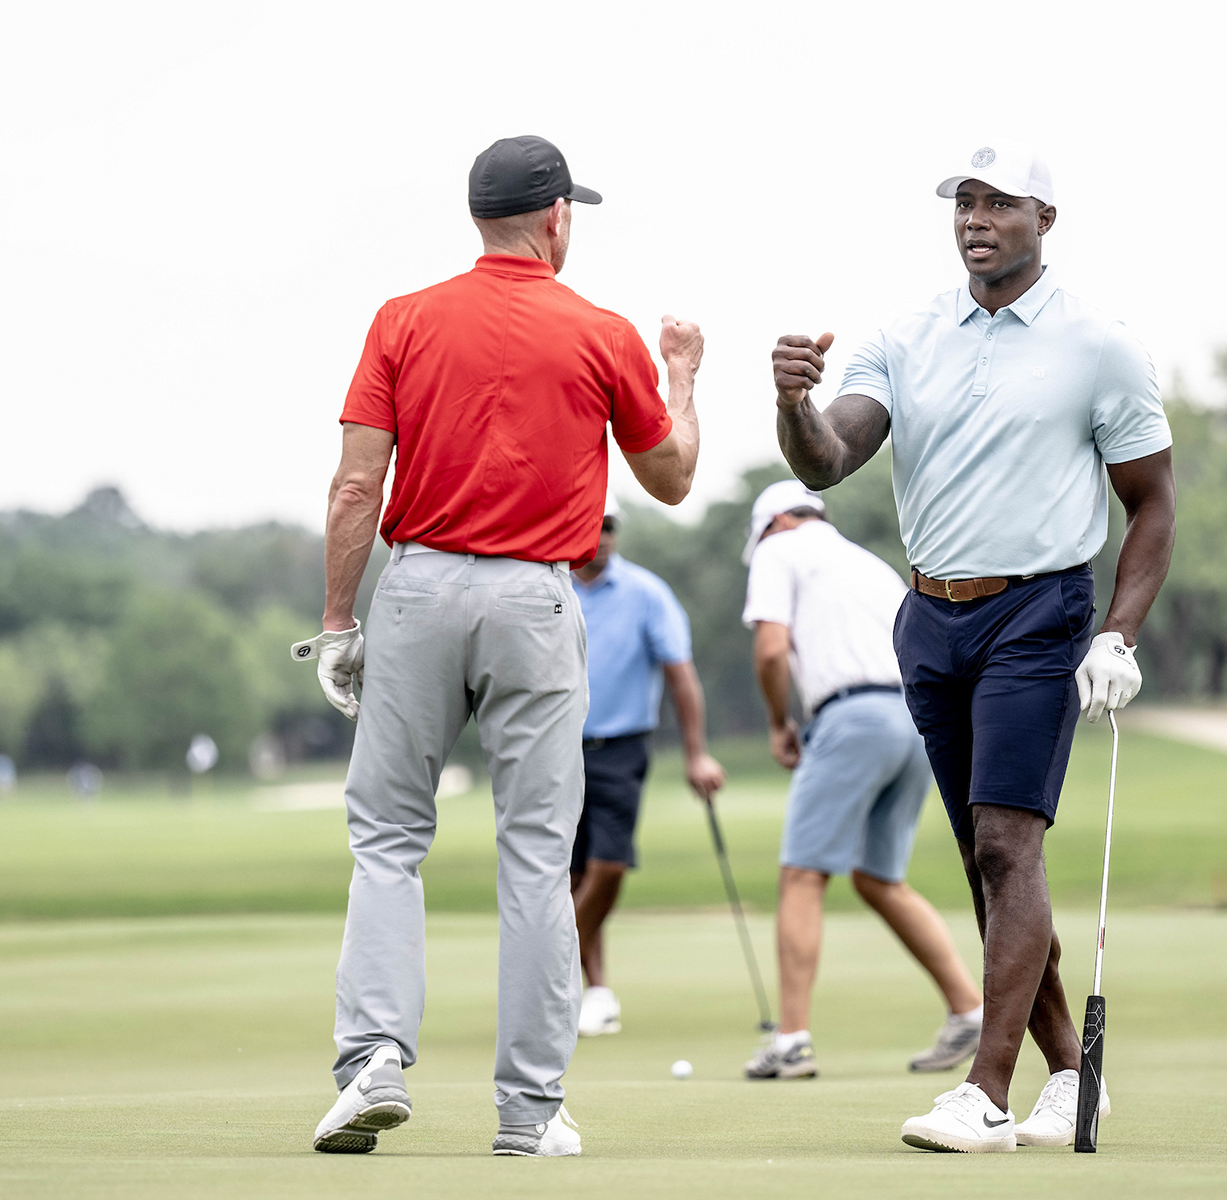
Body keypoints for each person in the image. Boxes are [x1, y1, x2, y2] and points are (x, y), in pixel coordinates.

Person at [296, 134, 705, 1159]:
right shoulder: (601, 331)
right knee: (535, 855)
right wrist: (682, 376)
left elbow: (357, 485)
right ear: (557, 217)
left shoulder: (402, 319)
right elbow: (671, 479)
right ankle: (528, 1112)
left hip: (416, 586)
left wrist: (338, 622)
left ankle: (373, 1060)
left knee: (388, 837)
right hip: (534, 598)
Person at [767, 142, 1175, 1153]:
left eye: (999, 203)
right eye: (965, 202)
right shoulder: (905, 336)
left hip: (1039, 612)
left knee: (1005, 846)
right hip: (930, 618)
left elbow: (1153, 504)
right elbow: (830, 456)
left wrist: (1118, 633)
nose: (976, 218)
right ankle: (1074, 1078)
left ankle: (986, 1095)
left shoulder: (1100, 345)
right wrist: (793, 404)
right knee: (986, 857)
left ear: (1046, 218)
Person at [737, 480, 983, 1081]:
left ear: (776, 523)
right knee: (879, 878)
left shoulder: (778, 549)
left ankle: (791, 1041)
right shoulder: (869, 563)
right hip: (915, 720)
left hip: (850, 717)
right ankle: (969, 1009)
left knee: (803, 873)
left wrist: (778, 723)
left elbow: (770, 650)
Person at [570, 494, 726, 1037]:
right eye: (593, 525)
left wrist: (695, 752)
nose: (602, 536)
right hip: (554, 747)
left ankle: (550, 962)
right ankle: (595, 992)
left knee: (608, 866)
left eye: (610, 526)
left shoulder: (646, 592)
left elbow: (681, 675)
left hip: (622, 747)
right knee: (568, 873)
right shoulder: (549, 587)